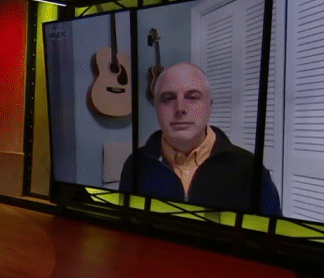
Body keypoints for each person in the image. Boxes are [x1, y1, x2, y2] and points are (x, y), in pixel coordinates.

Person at [119, 62, 281, 215]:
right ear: (156, 108)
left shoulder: (250, 169)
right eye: (168, 98)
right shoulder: (135, 164)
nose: (180, 108)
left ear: (210, 106)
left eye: (192, 97)